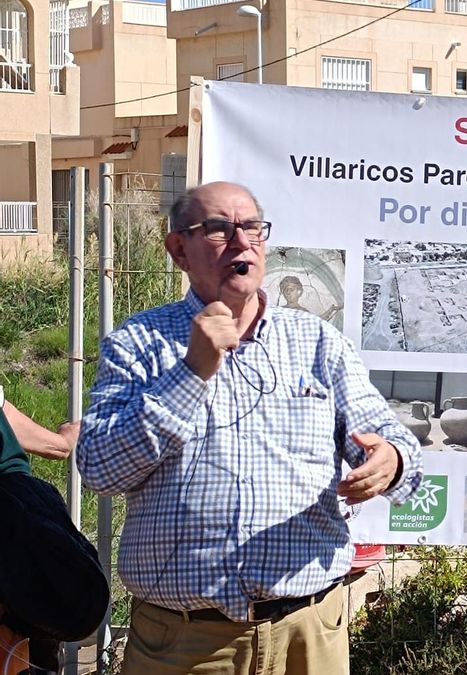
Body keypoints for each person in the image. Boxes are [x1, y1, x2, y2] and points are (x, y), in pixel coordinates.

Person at [76, 182, 424, 675]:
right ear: (179, 249)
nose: (241, 242)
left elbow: (393, 442)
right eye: (218, 228)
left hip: (310, 634)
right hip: (185, 642)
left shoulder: (318, 343)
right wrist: (189, 374)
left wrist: (390, 460)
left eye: (252, 228)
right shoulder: (138, 344)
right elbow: (98, 469)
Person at [0, 387, 103, 674]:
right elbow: (56, 447)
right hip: (18, 528)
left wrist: (63, 442)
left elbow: (57, 447)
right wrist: (65, 440)